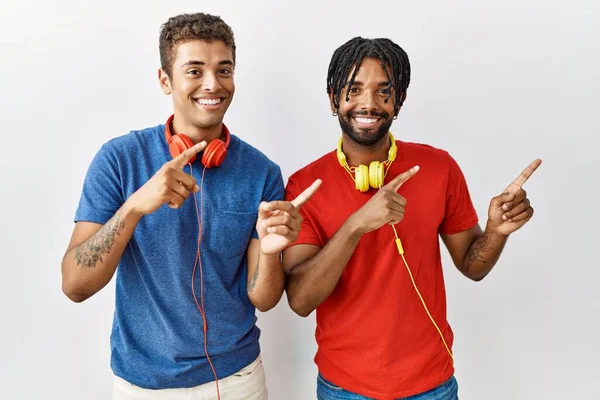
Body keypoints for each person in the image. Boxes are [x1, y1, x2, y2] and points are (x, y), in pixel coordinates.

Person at [61, 12, 319, 400]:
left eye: (224, 69)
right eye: (194, 71)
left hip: (238, 381)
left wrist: (269, 252)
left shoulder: (262, 172)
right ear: (165, 80)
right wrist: (134, 207)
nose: (213, 84)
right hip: (142, 386)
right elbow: (74, 286)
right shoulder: (119, 160)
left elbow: (263, 299)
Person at [283, 36, 540, 400]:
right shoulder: (304, 185)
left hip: (432, 386)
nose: (368, 104)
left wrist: (497, 232)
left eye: (383, 91)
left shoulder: (439, 168)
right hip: (344, 389)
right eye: (353, 90)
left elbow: (473, 265)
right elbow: (300, 301)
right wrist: (357, 224)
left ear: (399, 100)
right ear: (332, 98)